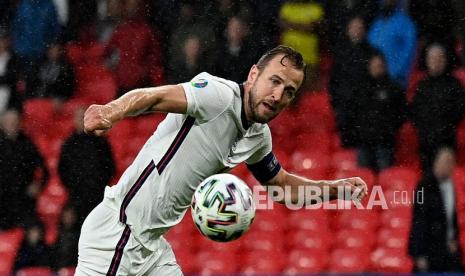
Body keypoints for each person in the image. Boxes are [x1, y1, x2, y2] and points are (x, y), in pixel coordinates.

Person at [77, 45, 368, 275]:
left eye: (289, 91)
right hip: (118, 234)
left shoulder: (258, 136)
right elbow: (156, 96)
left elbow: (282, 188)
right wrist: (111, 111)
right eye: (274, 81)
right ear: (254, 74)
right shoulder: (217, 96)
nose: (278, 95)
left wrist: (336, 189)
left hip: (151, 247)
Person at [410, 44, 465, 171]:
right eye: (432, 58)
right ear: (427, 61)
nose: (436, 62)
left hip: (446, 142)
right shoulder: (421, 85)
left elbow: (460, 110)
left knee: (446, 181)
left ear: (445, 60)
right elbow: (414, 111)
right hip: (426, 143)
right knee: (427, 180)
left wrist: (444, 126)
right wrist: (423, 129)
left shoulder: (454, 84)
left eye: (439, 58)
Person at [409, 148, 463, 272]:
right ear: (437, 163)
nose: (452, 166)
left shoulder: (451, 185)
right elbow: (419, 221)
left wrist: (453, 239)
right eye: (448, 162)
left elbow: (451, 218)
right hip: (430, 252)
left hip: (448, 251)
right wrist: (419, 254)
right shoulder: (424, 186)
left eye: (452, 162)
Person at [58, 107, 115, 223]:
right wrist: (72, 186)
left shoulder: (101, 142)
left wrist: (99, 184)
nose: (82, 121)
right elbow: (62, 169)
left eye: (84, 117)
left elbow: (110, 167)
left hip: (97, 195)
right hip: (76, 196)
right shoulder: (68, 143)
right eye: (79, 118)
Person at [355, 51, 405, 172]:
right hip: (364, 142)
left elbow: (401, 112)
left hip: (385, 142)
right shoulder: (361, 88)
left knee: (385, 178)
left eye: (379, 66)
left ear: (385, 66)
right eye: (374, 65)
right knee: (363, 181)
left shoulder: (393, 88)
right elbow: (354, 112)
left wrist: (390, 129)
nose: (377, 68)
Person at [329, 15, 374, 148]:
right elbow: (334, 81)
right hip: (345, 106)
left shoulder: (372, 53)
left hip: (365, 108)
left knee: (363, 147)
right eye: (354, 27)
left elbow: (375, 81)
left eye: (360, 28)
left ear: (365, 30)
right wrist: (336, 103)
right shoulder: (340, 53)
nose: (357, 30)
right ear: (348, 30)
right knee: (346, 145)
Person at [0, 110, 49, 230]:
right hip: (2, 199)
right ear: (2, 124)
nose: (12, 125)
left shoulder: (28, 143)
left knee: (29, 236)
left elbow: (44, 168)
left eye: (15, 121)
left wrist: (38, 185)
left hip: (23, 200)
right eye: (9, 122)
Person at [367, 0, 416, 88]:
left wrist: (396, 71)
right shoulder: (377, 23)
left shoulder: (405, 22)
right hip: (375, 79)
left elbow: (410, 51)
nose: (387, 2)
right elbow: (369, 48)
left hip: (396, 80)